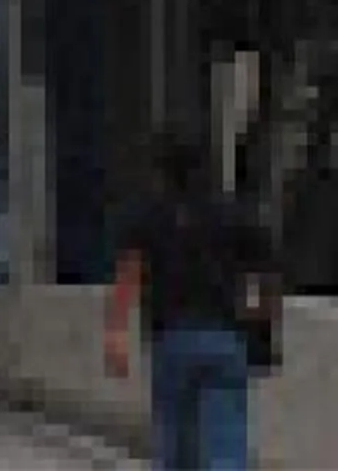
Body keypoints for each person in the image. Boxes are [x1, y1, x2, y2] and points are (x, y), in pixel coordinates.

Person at [105, 126, 281, 471]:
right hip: (227, 338)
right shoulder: (236, 215)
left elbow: (129, 275)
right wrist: (265, 328)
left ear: (161, 171)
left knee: (174, 445)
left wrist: (116, 333)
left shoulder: (147, 216)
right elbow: (268, 276)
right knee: (228, 445)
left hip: (172, 340)